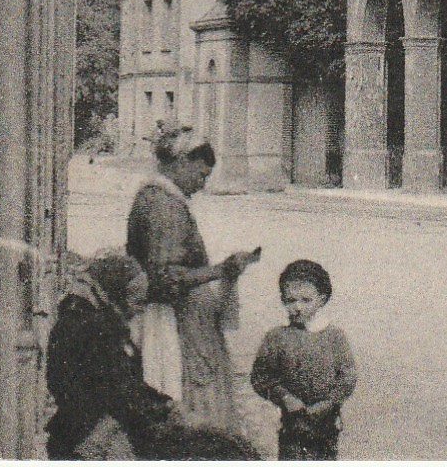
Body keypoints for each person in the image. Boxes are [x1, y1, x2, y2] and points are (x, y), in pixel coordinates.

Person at [126, 124, 260, 431]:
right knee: (192, 402)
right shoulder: (164, 206)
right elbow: (165, 277)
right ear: (181, 162)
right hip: (174, 322)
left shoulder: (156, 198)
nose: (201, 185)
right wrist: (222, 270)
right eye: (200, 175)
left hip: (174, 317)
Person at [45, 251, 175, 459]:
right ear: (117, 293)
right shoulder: (91, 326)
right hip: (88, 439)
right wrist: (158, 408)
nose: (140, 310)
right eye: (136, 300)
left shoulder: (102, 323)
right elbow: (113, 390)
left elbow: (123, 382)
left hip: (90, 431)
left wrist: (161, 403)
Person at [251, 259, 358, 460]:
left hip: (326, 425)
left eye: (306, 300)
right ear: (283, 300)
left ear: (321, 300)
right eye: (291, 300)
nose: (297, 307)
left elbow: (347, 378)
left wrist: (327, 403)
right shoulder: (276, 338)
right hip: (292, 425)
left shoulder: (335, 337)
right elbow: (261, 377)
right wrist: (285, 397)